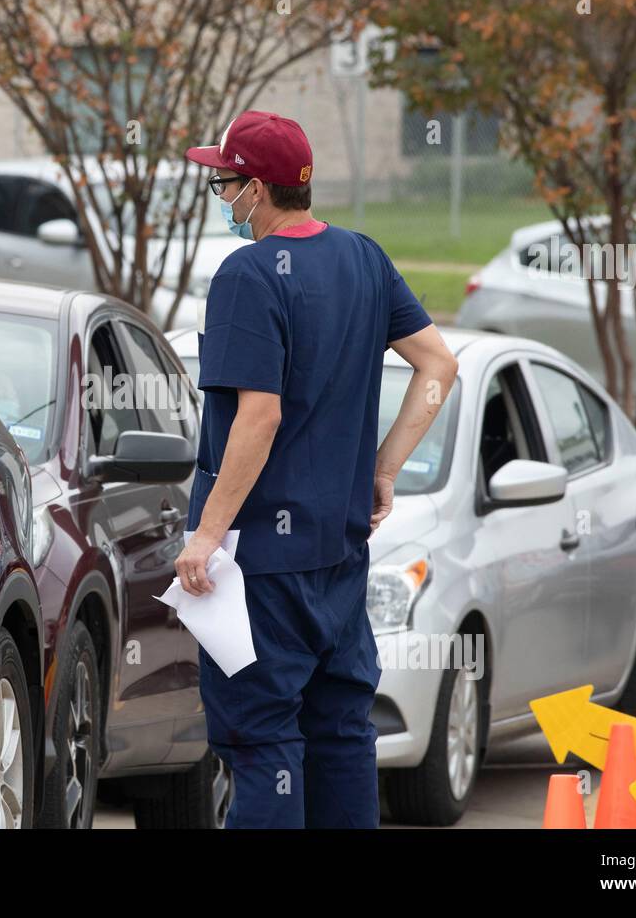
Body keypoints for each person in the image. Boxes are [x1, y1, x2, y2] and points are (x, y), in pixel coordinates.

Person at [176, 109, 459, 828]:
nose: (221, 197)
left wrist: (207, 534)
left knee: (264, 746)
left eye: (223, 184)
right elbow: (438, 363)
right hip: (338, 559)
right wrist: (383, 467)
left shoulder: (247, 274)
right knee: (339, 737)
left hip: (258, 571)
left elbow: (259, 416)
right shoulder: (363, 257)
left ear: (258, 191)